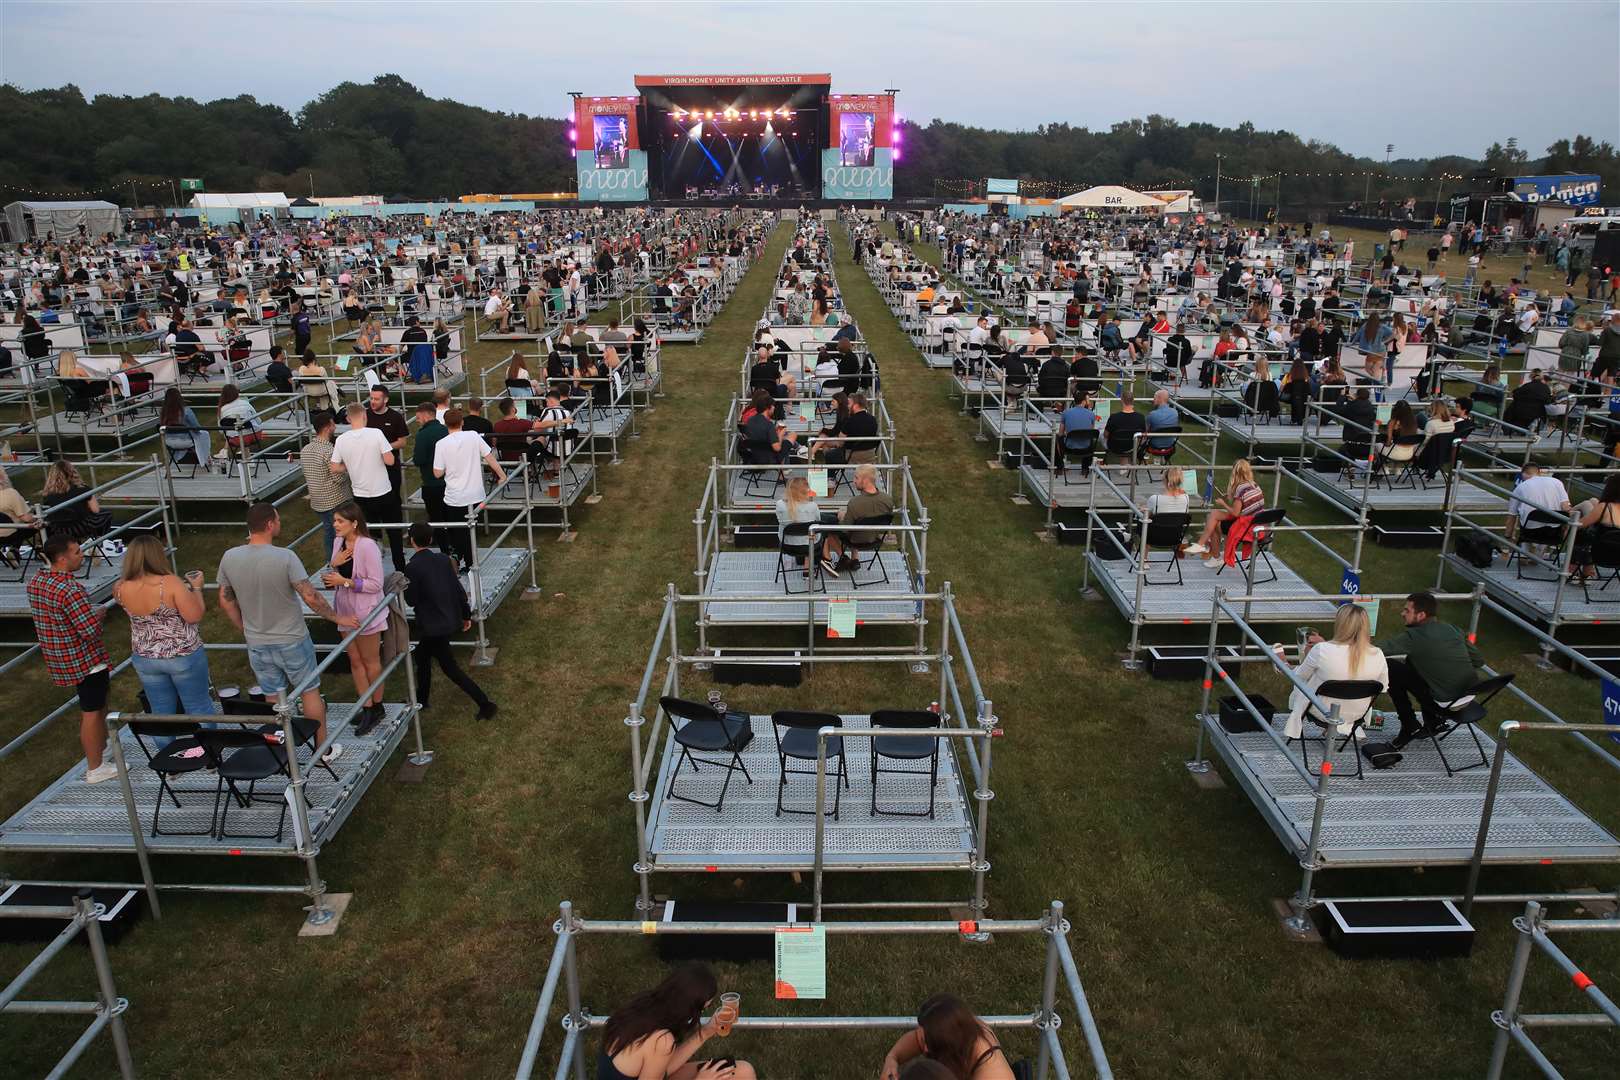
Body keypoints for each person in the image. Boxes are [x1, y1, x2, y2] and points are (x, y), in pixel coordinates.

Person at [218, 503, 355, 761]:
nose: (281, 523)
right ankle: (322, 749)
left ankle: (281, 750)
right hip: (292, 638)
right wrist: (337, 617)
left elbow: (225, 600)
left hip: (257, 642)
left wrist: (245, 628)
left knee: (273, 696)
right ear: (270, 524)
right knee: (310, 691)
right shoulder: (285, 557)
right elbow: (311, 596)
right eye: (278, 520)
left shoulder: (229, 557)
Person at [112, 534, 219, 738]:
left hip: (145, 657)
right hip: (182, 654)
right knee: (198, 706)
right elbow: (194, 615)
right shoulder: (170, 583)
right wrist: (196, 589)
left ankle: (168, 760)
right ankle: (209, 755)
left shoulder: (120, 587)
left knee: (160, 711)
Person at [28, 536, 115, 782]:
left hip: (61, 655)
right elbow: (89, 630)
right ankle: (95, 767)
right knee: (92, 711)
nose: (82, 555)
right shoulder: (71, 589)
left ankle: (103, 747)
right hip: (85, 659)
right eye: (77, 552)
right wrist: (98, 614)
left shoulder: (37, 581)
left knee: (98, 704)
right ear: (63, 558)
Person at [403, 521, 497, 720]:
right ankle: (422, 699)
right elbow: (457, 589)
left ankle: (485, 703)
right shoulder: (444, 559)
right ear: (430, 539)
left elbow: (410, 600)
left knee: (449, 668)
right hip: (446, 620)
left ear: (412, 541)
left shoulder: (412, 567)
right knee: (422, 657)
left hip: (432, 626)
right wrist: (465, 615)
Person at [597, 963, 754, 1080]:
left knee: (743, 1072)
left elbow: (662, 1070)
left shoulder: (643, 1006)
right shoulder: (661, 1041)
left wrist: (706, 1032)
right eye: (701, 1010)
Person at [1376, 591, 1485, 749]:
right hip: (1468, 696)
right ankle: (1432, 721)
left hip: (1444, 703)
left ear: (1421, 615)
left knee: (1390, 667)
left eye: (1407, 610)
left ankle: (1409, 725)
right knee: (1412, 663)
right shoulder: (1452, 629)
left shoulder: (1414, 636)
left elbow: (1376, 651)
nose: (1402, 613)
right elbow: (1479, 660)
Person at [322, 502, 389, 736]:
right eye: (334, 521)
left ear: (354, 523)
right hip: (345, 610)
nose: (335, 525)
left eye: (340, 521)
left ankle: (377, 707)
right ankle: (366, 705)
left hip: (367, 612)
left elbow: (376, 584)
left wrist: (346, 582)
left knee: (370, 660)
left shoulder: (368, 546)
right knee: (355, 661)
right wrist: (334, 565)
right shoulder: (338, 542)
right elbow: (332, 577)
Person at [1285, 604, 1389, 739]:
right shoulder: (1377, 654)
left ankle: (1283, 665)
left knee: (1309, 679)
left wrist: (1308, 655)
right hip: (1357, 713)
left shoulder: (1322, 650)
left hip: (1323, 711)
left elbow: (1299, 677)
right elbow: (1382, 687)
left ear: (1340, 624)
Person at [332, 401, 406, 567]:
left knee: (366, 535)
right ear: (364, 416)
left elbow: (335, 467)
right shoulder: (376, 433)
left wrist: (350, 465)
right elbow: (390, 460)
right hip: (383, 491)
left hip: (360, 495)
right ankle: (400, 568)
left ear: (348, 419)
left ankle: (369, 569)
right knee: (394, 532)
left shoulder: (342, 440)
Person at [433, 408, 506, 568]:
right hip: (475, 494)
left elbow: (437, 473)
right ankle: (470, 562)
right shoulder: (473, 436)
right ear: (462, 422)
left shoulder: (441, 444)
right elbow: (489, 457)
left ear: (445, 424)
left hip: (454, 496)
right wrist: (502, 476)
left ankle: (464, 560)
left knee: (459, 531)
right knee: (471, 530)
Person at [879, 994, 1016, 1080]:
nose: (923, 1049)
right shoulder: (963, 1028)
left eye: (928, 1043)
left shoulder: (994, 1075)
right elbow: (916, 1038)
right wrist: (892, 1059)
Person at [1188, 458, 1265, 566]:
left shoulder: (1241, 489)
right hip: (1256, 524)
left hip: (1246, 527)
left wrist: (1223, 503)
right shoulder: (1254, 485)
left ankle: (1214, 556)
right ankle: (1202, 545)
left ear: (1235, 472)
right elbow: (1246, 507)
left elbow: (1235, 513)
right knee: (1214, 514)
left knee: (1214, 523)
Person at [821, 463, 895, 574]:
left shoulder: (855, 503)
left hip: (855, 539)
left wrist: (842, 516)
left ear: (865, 480)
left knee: (825, 524)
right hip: (874, 538)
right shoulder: (887, 499)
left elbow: (845, 529)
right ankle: (855, 559)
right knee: (854, 520)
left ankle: (842, 558)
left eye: (856, 477)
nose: (854, 481)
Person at [299, 409, 353, 555]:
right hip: (336, 500)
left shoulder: (305, 450)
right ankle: (339, 565)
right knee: (340, 536)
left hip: (318, 501)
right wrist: (349, 470)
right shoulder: (329, 451)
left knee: (329, 533)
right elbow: (338, 477)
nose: (335, 427)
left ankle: (331, 564)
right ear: (328, 426)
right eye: (333, 424)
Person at [41, 459, 112, 540]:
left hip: (59, 530)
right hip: (81, 527)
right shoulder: (82, 488)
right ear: (71, 472)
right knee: (107, 514)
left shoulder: (47, 494)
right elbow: (96, 510)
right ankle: (99, 541)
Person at [1506, 462, 1573, 542]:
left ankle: (1524, 551)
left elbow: (1512, 516)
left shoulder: (1519, 488)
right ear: (1539, 472)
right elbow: (1565, 507)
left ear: (1523, 474)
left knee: (1525, 516)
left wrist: (1507, 537)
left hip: (1530, 531)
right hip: (1554, 531)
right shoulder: (1557, 482)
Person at [413, 401, 450, 546]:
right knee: (451, 518)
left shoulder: (423, 435)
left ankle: (444, 548)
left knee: (436, 519)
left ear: (425, 416)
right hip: (449, 482)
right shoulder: (445, 430)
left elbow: (419, 459)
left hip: (431, 483)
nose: (416, 421)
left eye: (417, 417)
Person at [775, 475, 823, 576]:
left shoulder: (779, 505)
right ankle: (807, 569)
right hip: (808, 546)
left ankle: (788, 562)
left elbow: (779, 520)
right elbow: (818, 521)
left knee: (792, 529)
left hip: (787, 545)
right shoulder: (812, 506)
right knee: (812, 533)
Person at [1060, 389, 1099, 476]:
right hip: (1086, 448)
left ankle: (1059, 467)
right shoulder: (1091, 414)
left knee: (1057, 439)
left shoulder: (1066, 413)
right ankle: (1085, 468)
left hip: (1069, 447)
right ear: (1084, 401)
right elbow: (1091, 431)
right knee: (1090, 439)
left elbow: (1060, 433)